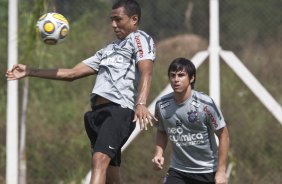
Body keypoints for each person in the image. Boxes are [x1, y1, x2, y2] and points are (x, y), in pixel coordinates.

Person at [6, 0, 156, 183]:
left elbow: (146, 71)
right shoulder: (108, 50)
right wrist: (30, 71)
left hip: (118, 112)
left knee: (99, 161)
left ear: (134, 19)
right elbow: (72, 73)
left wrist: (141, 102)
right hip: (98, 115)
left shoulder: (140, 39)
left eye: (118, 19)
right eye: (112, 20)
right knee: (111, 175)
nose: (113, 25)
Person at [152, 58, 229, 184]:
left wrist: (221, 171)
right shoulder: (161, 105)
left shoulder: (206, 105)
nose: (176, 79)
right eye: (172, 75)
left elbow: (224, 135)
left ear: (192, 78)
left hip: (207, 170)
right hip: (178, 170)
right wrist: (158, 154)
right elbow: (161, 131)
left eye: (181, 75)